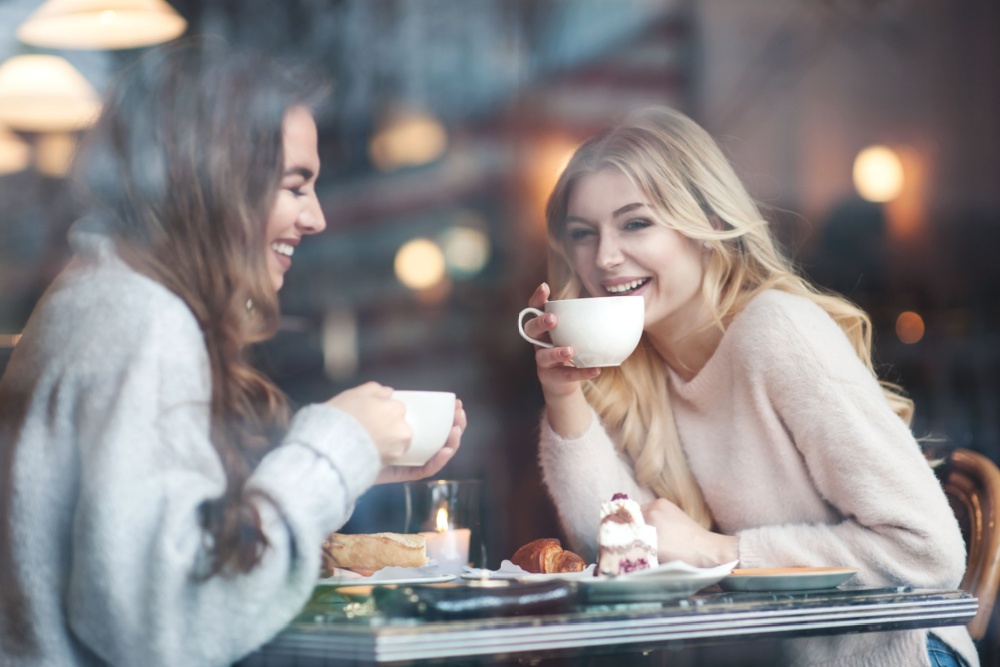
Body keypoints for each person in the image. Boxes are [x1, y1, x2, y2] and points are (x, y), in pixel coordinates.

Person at [0, 40, 465, 667]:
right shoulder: (146, 321)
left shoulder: (102, 296)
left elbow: (154, 540)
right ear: (218, 181)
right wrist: (334, 451)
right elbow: (169, 624)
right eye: (295, 186)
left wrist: (353, 469)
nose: (317, 218)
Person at [523, 106, 975, 667]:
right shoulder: (635, 368)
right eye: (583, 235)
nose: (605, 257)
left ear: (709, 226)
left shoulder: (777, 331)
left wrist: (720, 553)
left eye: (636, 223)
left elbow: (928, 553)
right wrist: (565, 399)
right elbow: (619, 557)